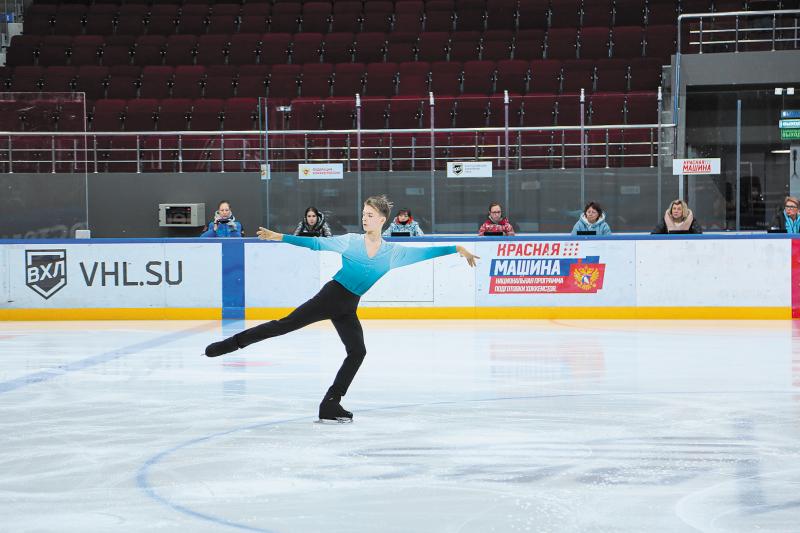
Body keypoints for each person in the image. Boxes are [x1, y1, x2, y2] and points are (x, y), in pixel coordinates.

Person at [204, 195, 480, 423]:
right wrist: (281, 237)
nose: (364, 218)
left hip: (348, 306)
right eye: (363, 213)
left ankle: (331, 403)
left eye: (370, 214)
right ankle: (231, 344)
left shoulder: (394, 253)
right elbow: (315, 243)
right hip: (331, 296)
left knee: (357, 351)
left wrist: (458, 248)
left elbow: (427, 253)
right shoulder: (351, 241)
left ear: (382, 220)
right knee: (283, 325)